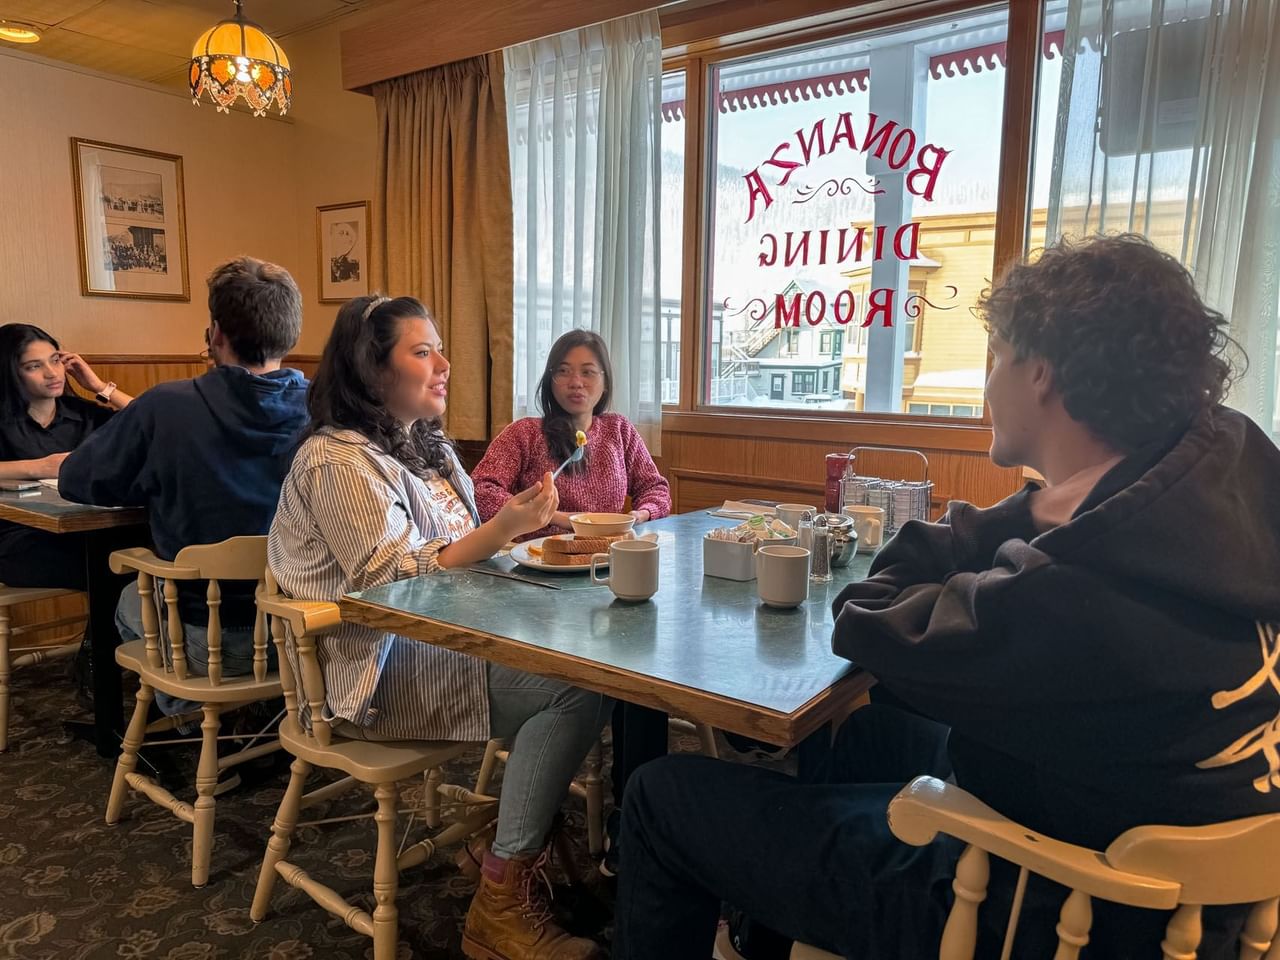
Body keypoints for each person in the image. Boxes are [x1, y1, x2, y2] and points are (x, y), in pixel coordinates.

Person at [613, 234, 1280, 960]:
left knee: (660, 797)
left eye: (997, 358)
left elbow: (866, 617)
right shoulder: (1227, 471)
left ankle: (774, 901)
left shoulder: (1071, 586)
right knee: (868, 733)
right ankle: (774, 923)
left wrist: (1029, 507)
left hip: (1061, 906)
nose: (987, 384)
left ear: (1042, 376)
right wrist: (1055, 501)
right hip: (1200, 888)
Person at [268, 295, 611, 960]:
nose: (444, 364)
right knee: (575, 690)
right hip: (372, 668)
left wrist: (517, 533)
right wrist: (504, 529)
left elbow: (465, 556)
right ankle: (500, 902)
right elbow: (389, 585)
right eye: (422, 352)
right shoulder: (336, 460)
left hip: (440, 642)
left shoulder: (425, 444)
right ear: (373, 370)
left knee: (590, 657)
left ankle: (510, 829)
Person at [60, 257, 308, 712]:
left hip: (205, 641)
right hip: (308, 633)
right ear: (291, 336)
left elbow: (76, 479)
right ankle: (261, 717)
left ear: (215, 334)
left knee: (121, 600)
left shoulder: (165, 406)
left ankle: (192, 720)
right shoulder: (327, 409)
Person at [472, 329, 672, 879]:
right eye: (564, 369)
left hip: (609, 577)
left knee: (645, 671)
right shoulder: (526, 434)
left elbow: (657, 488)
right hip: (543, 586)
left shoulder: (618, 432)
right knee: (617, 676)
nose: (575, 382)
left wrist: (639, 519)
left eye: (588, 371)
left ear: (604, 382)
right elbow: (482, 489)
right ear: (549, 378)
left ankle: (632, 819)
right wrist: (552, 518)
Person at [0, 323, 132, 589]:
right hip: (19, 538)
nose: (51, 373)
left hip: (86, 528)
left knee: (138, 548)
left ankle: (109, 631)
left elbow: (152, 423)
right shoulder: (3, 419)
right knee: (111, 564)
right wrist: (40, 467)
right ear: (10, 373)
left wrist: (100, 387)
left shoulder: (82, 413)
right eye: (34, 366)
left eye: (56, 360)